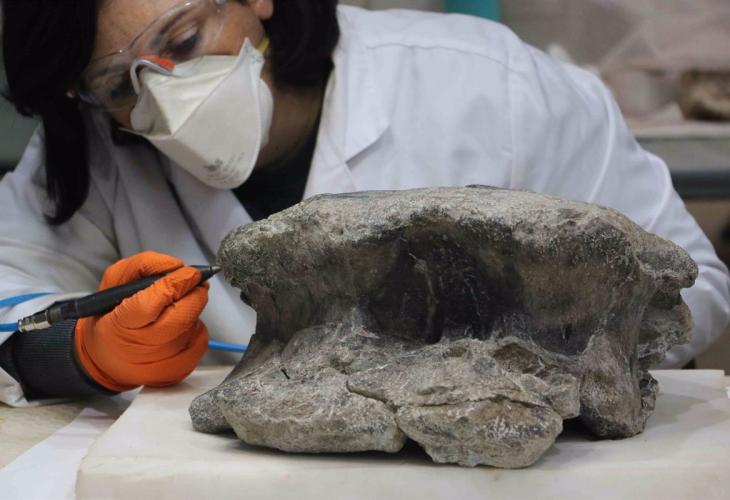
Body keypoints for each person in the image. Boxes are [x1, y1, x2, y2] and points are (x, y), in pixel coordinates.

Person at [0, 0, 727, 407]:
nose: (164, 100)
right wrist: (82, 353)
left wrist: (532, 350)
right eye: (121, 85)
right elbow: (10, 297)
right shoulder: (91, 153)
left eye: (185, 41)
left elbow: (693, 288)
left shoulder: (492, 86)